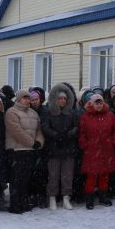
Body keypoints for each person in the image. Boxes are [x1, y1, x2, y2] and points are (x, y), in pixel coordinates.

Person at [5, 90, 45, 214]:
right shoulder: (11, 112)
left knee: (26, 179)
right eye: (25, 98)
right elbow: (16, 131)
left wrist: (39, 142)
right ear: (18, 99)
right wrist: (32, 142)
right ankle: (15, 204)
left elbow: (39, 129)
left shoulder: (33, 113)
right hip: (16, 150)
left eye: (29, 98)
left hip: (30, 151)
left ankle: (24, 202)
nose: (28, 100)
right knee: (16, 179)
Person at [78, 94, 115, 209]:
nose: (99, 105)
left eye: (100, 102)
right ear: (91, 104)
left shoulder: (110, 115)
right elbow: (81, 134)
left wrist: (113, 142)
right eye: (96, 103)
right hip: (91, 151)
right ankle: (89, 199)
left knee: (104, 175)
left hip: (107, 150)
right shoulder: (85, 117)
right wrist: (85, 145)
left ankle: (103, 197)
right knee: (91, 176)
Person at [41, 83, 77, 211]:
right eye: (60, 98)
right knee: (53, 175)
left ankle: (66, 197)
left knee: (67, 175)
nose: (62, 101)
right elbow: (45, 127)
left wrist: (69, 134)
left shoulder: (71, 113)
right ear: (56, 99)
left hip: (68, 148)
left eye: (64, 99)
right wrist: (56, 135)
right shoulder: (49, 112)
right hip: (53, 148)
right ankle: (52, 198)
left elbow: (76, 126)